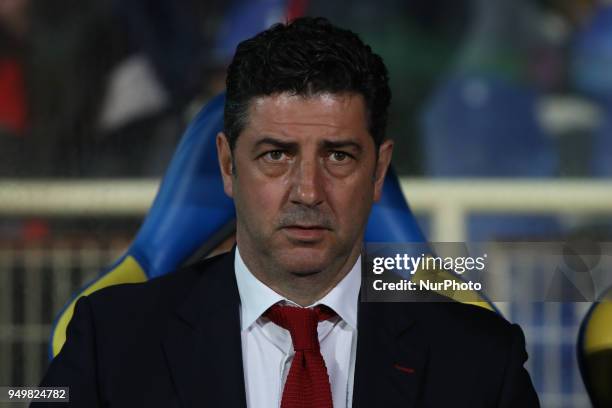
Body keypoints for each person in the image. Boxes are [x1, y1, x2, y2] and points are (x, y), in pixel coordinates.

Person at [36, 17, 540, 407]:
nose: (307, 191)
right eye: (276, 155)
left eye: (338, 156)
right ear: (228, 166)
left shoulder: (480, 359)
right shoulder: (112, 340)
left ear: (379, 170)